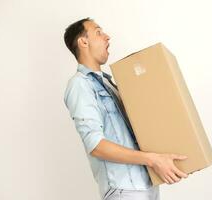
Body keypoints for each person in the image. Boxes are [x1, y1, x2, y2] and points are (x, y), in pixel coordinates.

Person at [63, 17, 188, 200]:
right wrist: (152, 159)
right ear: (83, 42)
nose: (107, 37)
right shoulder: (80, 84)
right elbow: (96, 145)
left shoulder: (111, 84)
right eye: (98, 32)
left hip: (146, 185)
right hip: (124, 190)